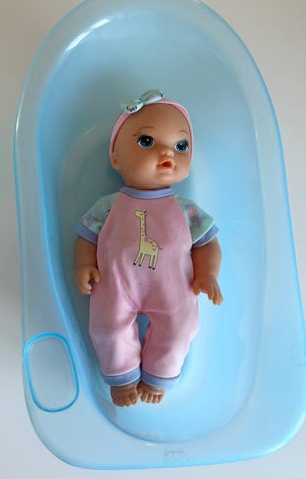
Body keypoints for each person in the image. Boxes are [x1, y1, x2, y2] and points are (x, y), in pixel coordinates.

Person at [74, 90, 223, 406]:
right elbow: (86, 237)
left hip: (174, 287)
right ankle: (121, 378)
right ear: (116, 158)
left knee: (180, 328)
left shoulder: (187, 210)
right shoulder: (108, 206)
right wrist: (84, 264)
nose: (167, 152)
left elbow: (207, 243)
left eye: (181, 146)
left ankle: (159, 376)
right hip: (116, 285)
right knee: (108, 328)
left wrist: (207, 274)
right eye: (147, 142)